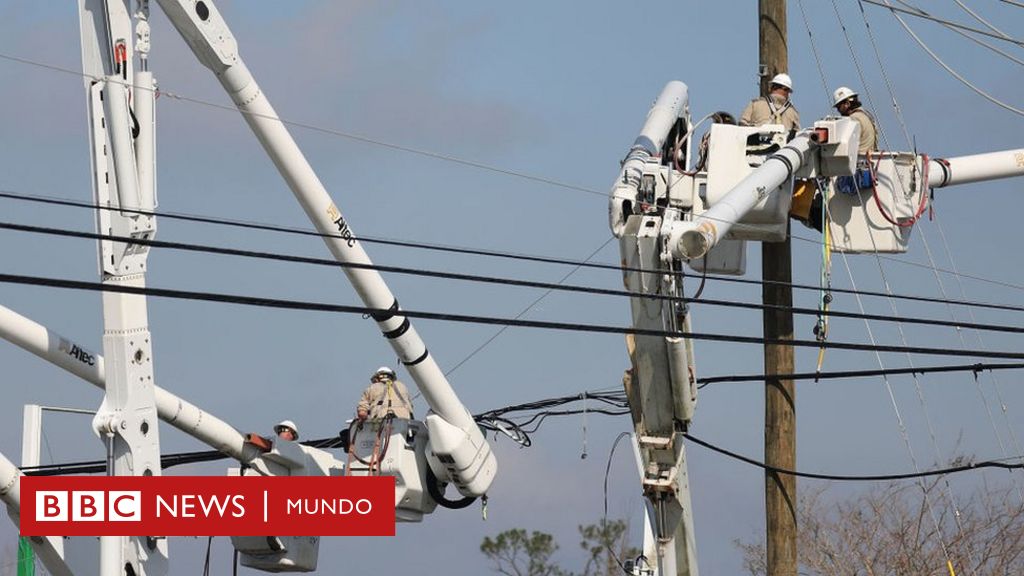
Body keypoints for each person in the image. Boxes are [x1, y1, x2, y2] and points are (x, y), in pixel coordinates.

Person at [833, 86, 878, 154]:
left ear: (847, 104)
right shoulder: (865, 115)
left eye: (839, 107)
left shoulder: (853, 119)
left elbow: (845, 143)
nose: (838, 110)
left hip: (858, 159)